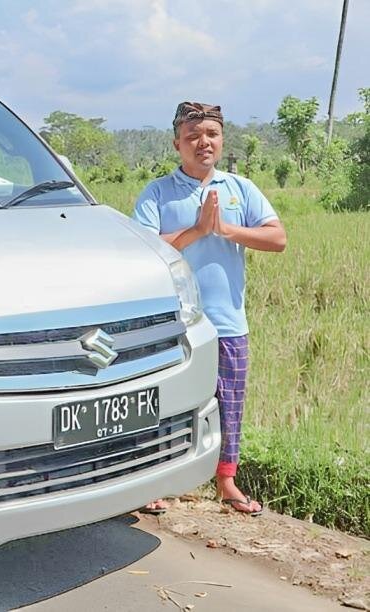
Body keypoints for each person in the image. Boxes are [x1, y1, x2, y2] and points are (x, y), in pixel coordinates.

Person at [133, 102, 287, 515]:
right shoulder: (158, 192)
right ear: (177, 144)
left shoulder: (241, 188)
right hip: (172, 325)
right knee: (165, 402)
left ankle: (226, 481)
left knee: (230, 404)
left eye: (212, 134)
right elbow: (142, 249)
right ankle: (155, 482)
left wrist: (227, 229)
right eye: (193, 136)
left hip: (228, 322)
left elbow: (277, 238)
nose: (204, 142)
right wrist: (198, 230)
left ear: (221, 140)